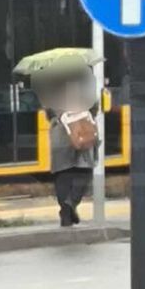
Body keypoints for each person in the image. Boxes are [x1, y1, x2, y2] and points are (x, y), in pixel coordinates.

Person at [43, 69, 99, 227]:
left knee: (62, 173)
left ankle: (66, 212)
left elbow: (48, 113)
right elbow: (95, 107)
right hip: (82, 131)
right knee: (84, 171)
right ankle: (70, 204)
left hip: (60, 134)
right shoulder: (85, 87)